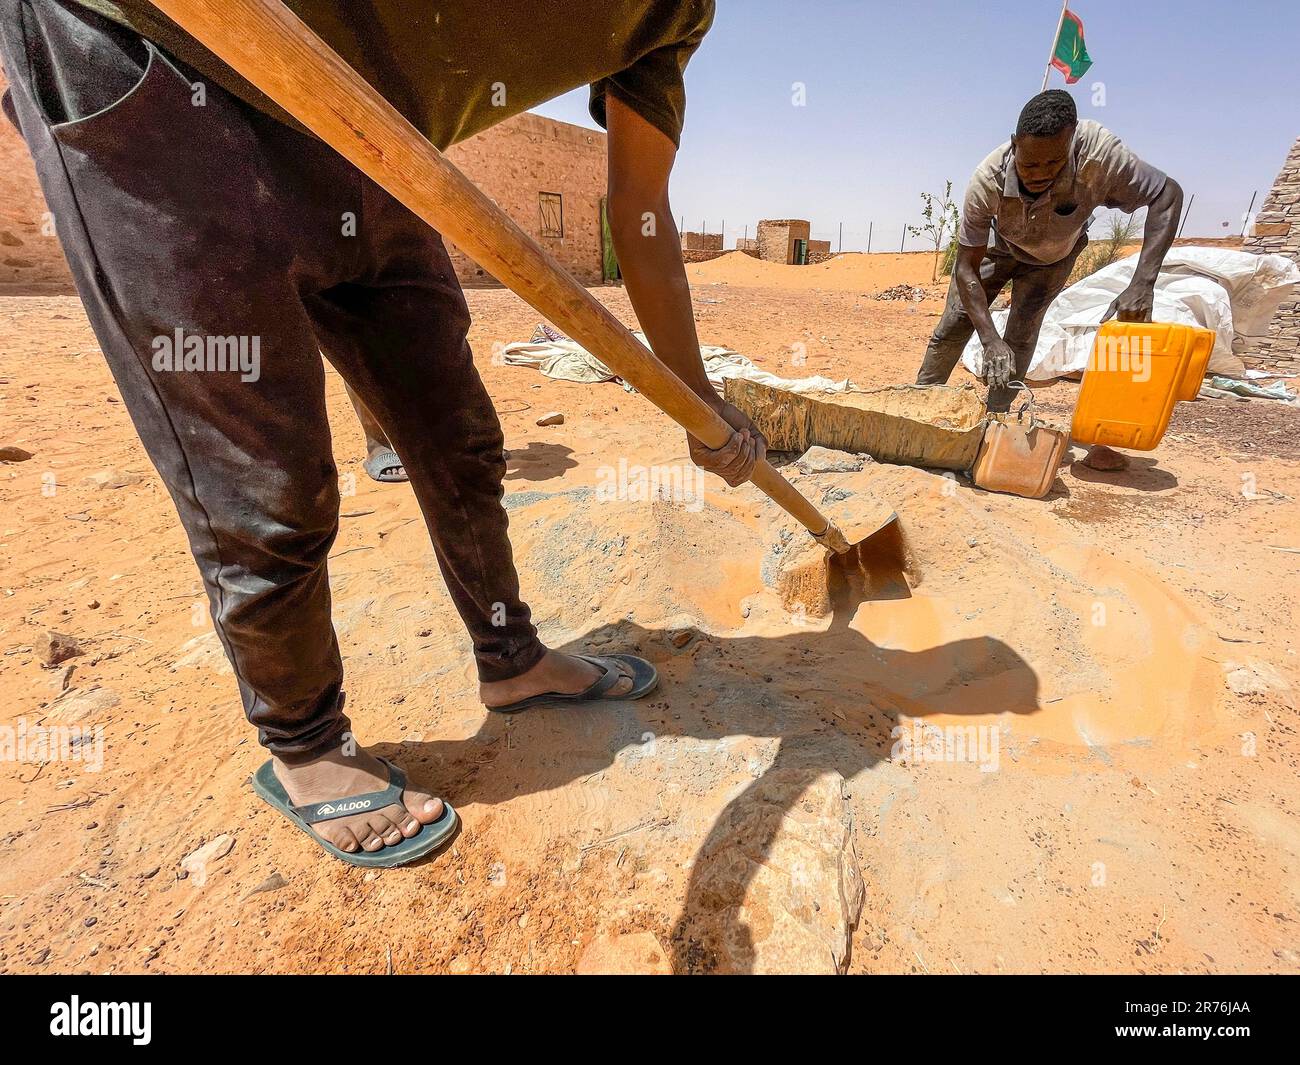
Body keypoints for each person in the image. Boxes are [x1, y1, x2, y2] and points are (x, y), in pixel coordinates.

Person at [1, 0, 766, 864]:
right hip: (167, 66)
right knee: (266, 483)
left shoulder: (676, 12)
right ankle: (307, 744)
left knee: (459, 440)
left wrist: (697, 400)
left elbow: (643, 207)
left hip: (371, 141)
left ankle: (511, 657)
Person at [916, 89, 1183, 471]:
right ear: (1014, 146)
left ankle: (995, 426)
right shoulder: (987, 179)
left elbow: (1167, 195)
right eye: (1030, 165)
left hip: (1053, 258)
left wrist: (1142, 282)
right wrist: (989, 339)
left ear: (1072, 141)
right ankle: (918, 409)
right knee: (952, 327)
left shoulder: (1099, 155)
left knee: (1022, 336)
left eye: (1053, 163)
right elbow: (964, 270)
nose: (1040, 174)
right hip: (996, 250)